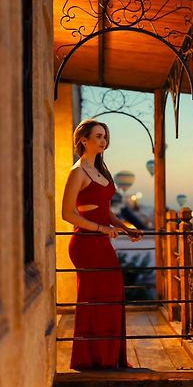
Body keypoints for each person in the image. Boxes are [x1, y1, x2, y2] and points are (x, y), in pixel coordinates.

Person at [62, 119, 143, 370]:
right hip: (85, 244)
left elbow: (104, 211)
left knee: (113, 291)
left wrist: (124, 227)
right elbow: (67, 214)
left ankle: (109, 357)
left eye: (105, 136)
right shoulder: (77, 172)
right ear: (83, 140)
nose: (103, 140)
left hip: (100, 240)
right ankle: (90, 359)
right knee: (94, 298)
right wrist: (101, 229)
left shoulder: (101, 171)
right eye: (97, 136)